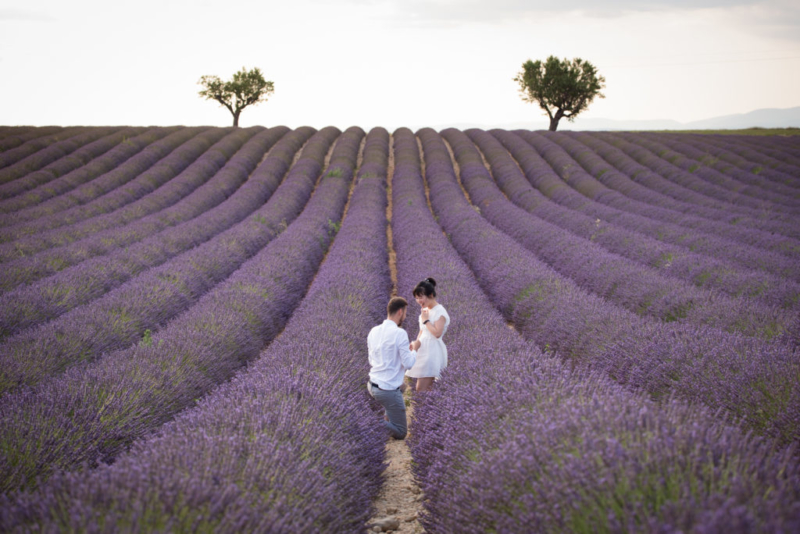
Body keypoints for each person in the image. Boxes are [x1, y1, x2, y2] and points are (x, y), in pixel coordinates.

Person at [367, 296, 417, 439]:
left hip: (372, 385)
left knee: (402, 387)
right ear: (400, 312)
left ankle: (386, 416)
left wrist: (404, 352)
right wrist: (415, 350)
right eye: (406, 313)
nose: (405, 316)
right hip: (387, 390)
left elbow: (372, 359)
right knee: (401, 432)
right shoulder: (400, 333)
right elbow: (408, 364)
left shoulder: (373, 331)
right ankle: (373, 422)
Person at [406, 278, 450, 393]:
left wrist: (426, 320)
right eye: (416, 298)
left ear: (430, 295)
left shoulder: (440, 311)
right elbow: (422, 331)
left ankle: (424, 410)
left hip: (432, 352)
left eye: (421, 297)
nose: (418, 300)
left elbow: (437, 333)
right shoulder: (426, 310)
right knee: (426, 389)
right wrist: (415, 345)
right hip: (423, 350)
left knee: (421, 389)